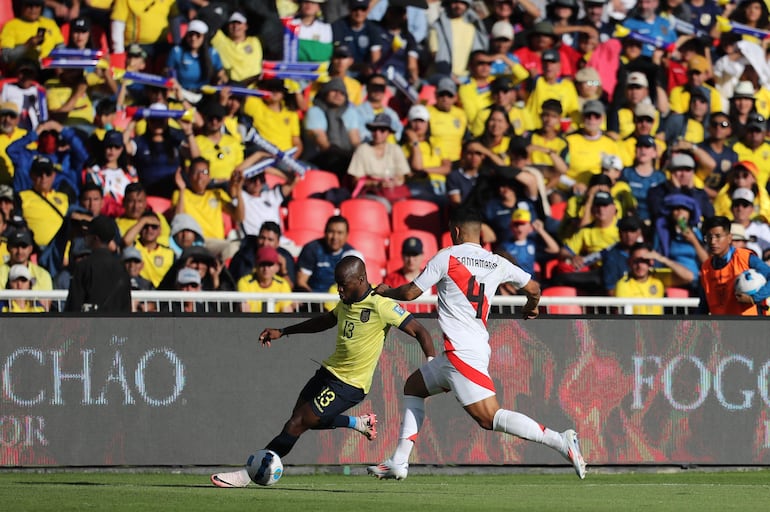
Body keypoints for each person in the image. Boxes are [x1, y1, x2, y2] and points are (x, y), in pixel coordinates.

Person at [367, 208, 585, 481]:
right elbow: (534, 288)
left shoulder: (446, 256)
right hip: (461, 351)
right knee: (413, 387)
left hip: (462, 353)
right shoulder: (496, 262)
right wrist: (531, 308)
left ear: (455, 231)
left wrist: (388, 292)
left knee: (489, 418)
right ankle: (399, 461)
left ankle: (560, 440)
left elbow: (411, 292)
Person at [210, 255, 435, 488]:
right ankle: (358, 423)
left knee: (296, 424)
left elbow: (421, 332)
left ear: (360, 280)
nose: (338, 289)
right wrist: (283, 331)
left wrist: (430, 366)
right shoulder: (346, 302)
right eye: (337, 283)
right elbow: (326, 321)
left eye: (343, 284)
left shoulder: (382, 304)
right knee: (300, 420)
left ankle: (248, 474)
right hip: (328, 372)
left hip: (350, 385)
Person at [699, 215, 770, 315]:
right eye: (709, 237)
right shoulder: (705, 268)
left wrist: (754, 298)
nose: (713, 241)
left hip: (751, 326)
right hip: (721, 328)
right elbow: (703, 306)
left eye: (718, 236)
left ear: (729, 238)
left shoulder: (745, 258)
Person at [64, 215, 131, 313]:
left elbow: (74, 304)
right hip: (116, 325)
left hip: (89, 324)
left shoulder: (83, 266)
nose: (85, 237)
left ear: (95, 238)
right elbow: (126, 304)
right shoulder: (121, 267)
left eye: (88, 233)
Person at [614, 242, 695, 314]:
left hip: (658, 328)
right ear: (629, 262)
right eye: (636, 261)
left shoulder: (658, 277)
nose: (640, 265)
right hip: (636, 329)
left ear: (651, 262)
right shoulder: (623, 284)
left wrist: (661, 258)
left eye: (644, 260)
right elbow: (621, 314)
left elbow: (689, 277)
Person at [296, 215, 354, 293]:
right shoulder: (311, 249)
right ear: (325, 232)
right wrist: (318, 302)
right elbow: (301, 282)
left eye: (339, 233)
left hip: (340, 301)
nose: (335, 237)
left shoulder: (352, 254)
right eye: (331, 232)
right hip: (313, 301)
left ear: (347, 235)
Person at [238, 246, 295, 313]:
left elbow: (286, 312)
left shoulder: (282, 284)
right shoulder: (245, 282)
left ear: (277, 267)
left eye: (269, 265)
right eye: (262, 264)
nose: (266, 269)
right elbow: (245, 311)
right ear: (256, 266)